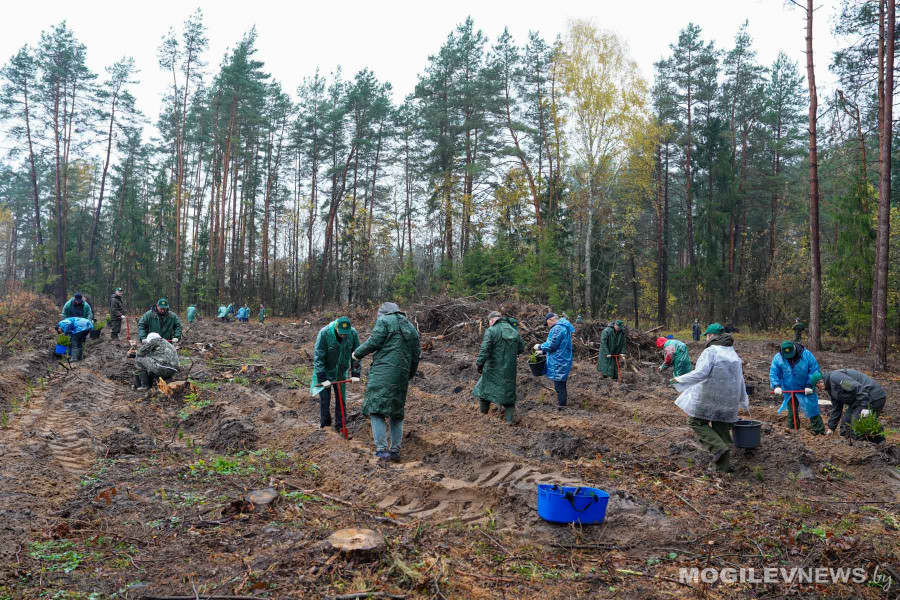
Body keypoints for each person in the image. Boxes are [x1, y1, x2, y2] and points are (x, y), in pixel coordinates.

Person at [671, 323, 749, 473]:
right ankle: (722, 468)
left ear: (711, 336)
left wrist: (679, 380)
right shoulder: (732, 353)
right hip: (729, 399)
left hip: (710, 396)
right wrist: (742, 399)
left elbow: (701, 373)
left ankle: (718, 447)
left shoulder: (711, 351)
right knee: (722, 426)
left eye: (706, 335)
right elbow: (740, 379)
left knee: (695, 421)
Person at [354, 302, 421, 461]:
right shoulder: (411, 328)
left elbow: (373, 342)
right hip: (401, 376)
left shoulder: (384, 321)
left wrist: (356, 354)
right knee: (396, 413)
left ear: (383, 313)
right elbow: (416, 355)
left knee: (376, 410)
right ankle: (395, 451)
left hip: (382, 373)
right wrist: (408, 375)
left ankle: (382, 450)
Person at [473, 310, 525, 425]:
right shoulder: (514, 330)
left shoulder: (491, 331)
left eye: (489, 322)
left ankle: (483, 417)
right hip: (509, 369)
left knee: (483, 391)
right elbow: (521, 348)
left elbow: (484, 350)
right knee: (508, 394)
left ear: (492, 320)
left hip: (492, 368)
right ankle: (510, 420)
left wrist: (479, 364)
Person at [312, 316, 361, 435]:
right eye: (341, 333)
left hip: (341, 372)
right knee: (325, 399)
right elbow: (319, 356)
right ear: (335, 327)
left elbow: (356, 355)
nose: (344, 336)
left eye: (346, 334)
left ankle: (340, 426)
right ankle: (325, 426)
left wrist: (355, 373)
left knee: (341, 399)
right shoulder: (324, 333)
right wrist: (323, 378)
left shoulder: (353, 334)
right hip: (325, 371)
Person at [770, 341, 825, 435]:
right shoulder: (778, 357)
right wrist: (776, 385)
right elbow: (774, 372)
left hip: (805, 388)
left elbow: (814, 370)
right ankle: (792, 430)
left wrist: (810, 384)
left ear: (794, 349)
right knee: (792, 411)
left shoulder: (806, 355)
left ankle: (819, 431)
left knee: (812, 408)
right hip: (788, 388)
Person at [819, 369, 887, 437]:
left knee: (857, 427)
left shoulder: (836, 377)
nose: (819, 388)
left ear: (821, 381)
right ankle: (851, 444)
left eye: (817, 385)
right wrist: (831, 428)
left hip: (873, 397)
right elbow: (837, 407)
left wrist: (866, 407)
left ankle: (876, 442)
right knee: (846, 426)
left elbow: (857, 387)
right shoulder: (830, 388)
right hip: (859, 402)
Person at [535, 312, 574, 409]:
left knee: (559, 385)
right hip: (563, 358)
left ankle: (562, 406)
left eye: (547, 323)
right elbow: (559, 346)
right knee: (561, 383)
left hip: (559, 361)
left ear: (551, 320)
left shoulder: (557, 328)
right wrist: (543, 352)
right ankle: (562, 404)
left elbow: (552, 346)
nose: (548, 325)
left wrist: (539, 346)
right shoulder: (563, 327)